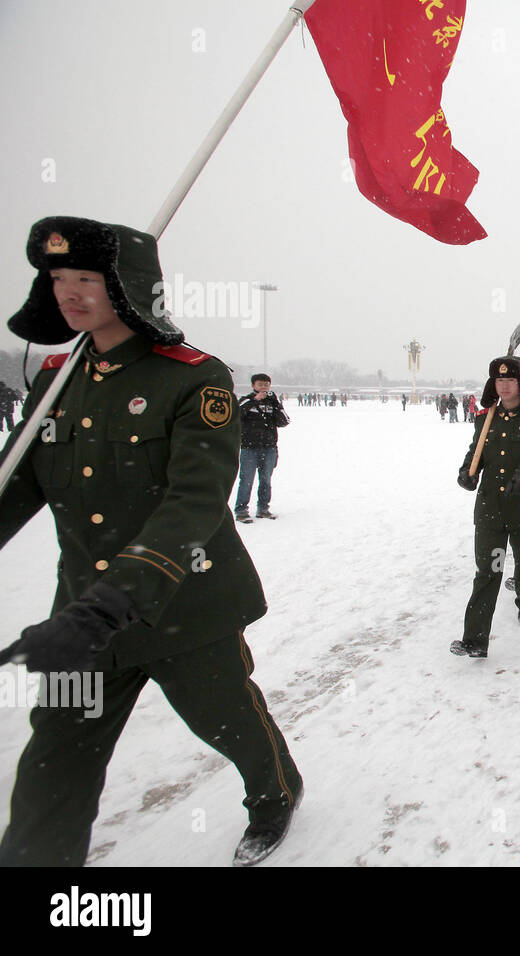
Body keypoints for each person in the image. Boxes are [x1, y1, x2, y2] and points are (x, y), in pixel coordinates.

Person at [0, 216, 301, 866]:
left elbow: (193, 502)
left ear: (127, 284)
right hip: (80, 625)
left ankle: (275, 793)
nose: (68, 292)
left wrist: (108, 605)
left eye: (86, 277)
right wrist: (87, 610)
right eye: (57, 279)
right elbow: (17, 487)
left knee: (231, 728)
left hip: (183, 613)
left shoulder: (192, 377)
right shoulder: (54, 382)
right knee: (53, 762)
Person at [451, 356, 520, 657]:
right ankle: (475, 639)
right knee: (488, 571)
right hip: (492, 512)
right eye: (499, 381)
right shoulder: (485, 419)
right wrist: (467, 472)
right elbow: (476, 453)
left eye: (509, 380)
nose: (504, 385)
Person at [234, 373, 290, 523]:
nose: (263, 387)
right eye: (260, 384)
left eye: (266, 384)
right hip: (249, 448)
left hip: (269, 447)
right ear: (253, 386)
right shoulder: (246, 400)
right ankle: (241, 511)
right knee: (246, 480)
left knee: (266, 480)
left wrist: (277, 404)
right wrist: (253, 400)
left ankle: (263, 508)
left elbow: (284, 421)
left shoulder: (272, 403)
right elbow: (235, 414)